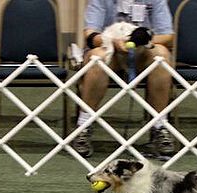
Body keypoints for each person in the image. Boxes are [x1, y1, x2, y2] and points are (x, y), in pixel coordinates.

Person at [73, 0, 176, 158]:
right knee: (97, 57)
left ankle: (160, 127)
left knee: (161, 55)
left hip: (143, 51)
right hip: (111, 49)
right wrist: (114, 42)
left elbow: (168, 36)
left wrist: (137, 42)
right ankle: (84, 126)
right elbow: (90, 35)